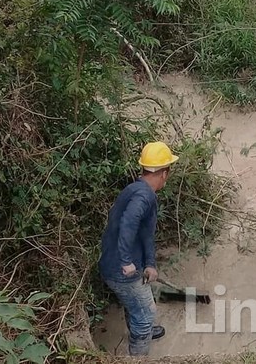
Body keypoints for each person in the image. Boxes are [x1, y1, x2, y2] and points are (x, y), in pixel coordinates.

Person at [99, 141, 179, 356]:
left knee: (135, 303)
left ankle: (144, 330)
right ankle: (138, 356)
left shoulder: (135, 189)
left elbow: (145, 234)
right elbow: (128, 222)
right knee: (145, 314)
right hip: (120, 269)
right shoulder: (144, 196)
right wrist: (126, 261)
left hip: (113, 262)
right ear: (164, 173)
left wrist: (150, 264)